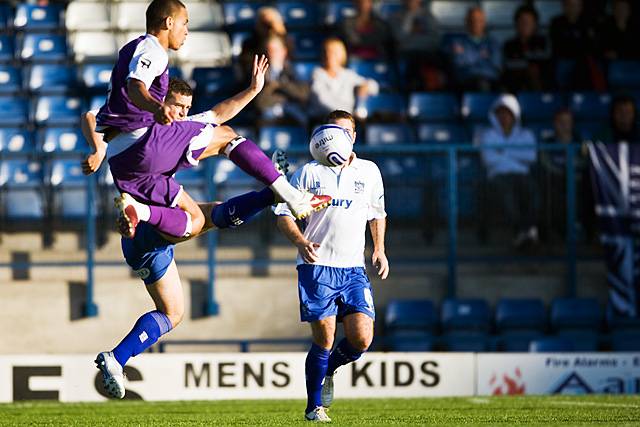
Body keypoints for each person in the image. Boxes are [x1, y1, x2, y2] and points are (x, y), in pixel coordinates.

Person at [85, 77, 292, 399]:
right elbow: (91, 116)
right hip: (150, 217)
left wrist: (252, 89)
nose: (182, 114)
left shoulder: (177, 126)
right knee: (199, 220)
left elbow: (218, 114)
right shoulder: (143, 127)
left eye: (186, 109)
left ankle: (116, 358)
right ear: (160, 101)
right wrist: (98, 149)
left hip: (143, 244)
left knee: (172, 312)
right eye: (177, 106)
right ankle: (274, 192)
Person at [93, 0, 330, 242]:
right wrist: (156, 107)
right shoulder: (153, 49)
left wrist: (252, 90)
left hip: (121, 161)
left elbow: (215, 115)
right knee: (226, 136)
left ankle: (140, 211)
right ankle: (292, 196)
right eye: (184, 24)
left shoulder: (130, 51)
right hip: (142, 140)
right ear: (169, 22)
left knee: (196, 220)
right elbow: (136, 87)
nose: (186, 31)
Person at [274, 110, 389, 422]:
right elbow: (283, 212)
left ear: (354, 136)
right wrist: (299, 241)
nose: (340, 136)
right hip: (317, 267)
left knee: (362, 339)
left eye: (346, 131)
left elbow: (377, 212)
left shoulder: (369, 170)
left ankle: (330, 370)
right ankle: (314, 408)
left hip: (353, 269)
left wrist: (379, 248)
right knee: (323, 339)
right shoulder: (308, 172)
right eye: (333, 130)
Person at [477, 94, 539, 248]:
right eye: (500, 113)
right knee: (507, 194)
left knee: (532, 190)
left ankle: (529, 230)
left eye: (508, 113)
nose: (504, 117)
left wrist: (502, 152)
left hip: (522, 175)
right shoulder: (487, 135)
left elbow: (531, 157)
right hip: (498, 176)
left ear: (515, 115)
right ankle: (519, 232)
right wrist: (516, 154)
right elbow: (488, 159)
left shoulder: (526, 134)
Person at [308, 37, 379, 121]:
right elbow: (322, 100)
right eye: (326, 51)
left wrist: (366, 86)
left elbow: (374, 86)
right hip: (323, 120)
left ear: (341, 54)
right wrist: (347, 114)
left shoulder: (348, 74)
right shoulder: (317, 74)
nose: (329, 55)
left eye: (333, 52)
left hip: (346, 119)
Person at [253, 33, 309, 126]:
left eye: (276, 50)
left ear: (284, 51)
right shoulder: (260, 73)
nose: (272, 53)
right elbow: (260, 103)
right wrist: (283, 95)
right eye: (269, 50)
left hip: (293, 116)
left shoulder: (294, 71)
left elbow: (303, 95)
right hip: (268, 118)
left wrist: (279, 85)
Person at [388, 0, 443, 91]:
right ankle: (414, 91)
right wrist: (410, 16)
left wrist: (411, 38)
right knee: (414, 60)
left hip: (426, 51)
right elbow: (400, 37)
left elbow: (434, 40)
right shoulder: (395, 17)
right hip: (406, 53)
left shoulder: (428, 17)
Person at [443, 6, 501, 92]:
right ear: (466, 21)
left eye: (479, 20)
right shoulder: (455, 41)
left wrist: (466, 55)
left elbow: (495, 67)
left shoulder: (493, 43)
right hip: (464, 83)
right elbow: (457, 63)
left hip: (489, 83)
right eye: (472, 20)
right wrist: (481, 57)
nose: (475, 23)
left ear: (484, 22)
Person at [502, 5, 550, 92]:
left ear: (535, 24)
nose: (525, 25)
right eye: (522, 21)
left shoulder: (543, 42)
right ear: (516, 23)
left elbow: (546, 64)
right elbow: (507, 67)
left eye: (529, 22)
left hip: (539, 83)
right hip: (514, 84)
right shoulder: (509, 44)